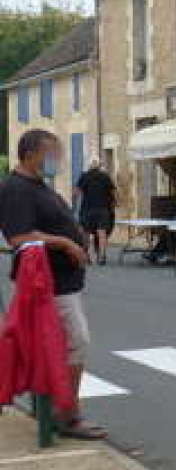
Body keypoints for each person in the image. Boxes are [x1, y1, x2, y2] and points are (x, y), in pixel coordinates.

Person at [0, 129, 106, 440]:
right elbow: (18, 237)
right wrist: (64, 242)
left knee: (65, 345)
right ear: (30, 153)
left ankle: (55, 408)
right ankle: (67, 415)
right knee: (77, 341)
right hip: (49, 284)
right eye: (51, 153)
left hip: (62, 282)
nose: (56, 159)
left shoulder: (37, 185)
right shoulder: (17, 189)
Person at [73, 159, 117, 266]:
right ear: (99, 166)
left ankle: (86, 255)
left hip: (87, 209)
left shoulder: (84, 176)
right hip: (102, 209)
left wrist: (74, 204)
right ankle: (102, 256)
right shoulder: (105, 176)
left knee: (86, 233)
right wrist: (115, 203)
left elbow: (76, 192)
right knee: (102, 233)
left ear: (90, 166)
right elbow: (114, 192)